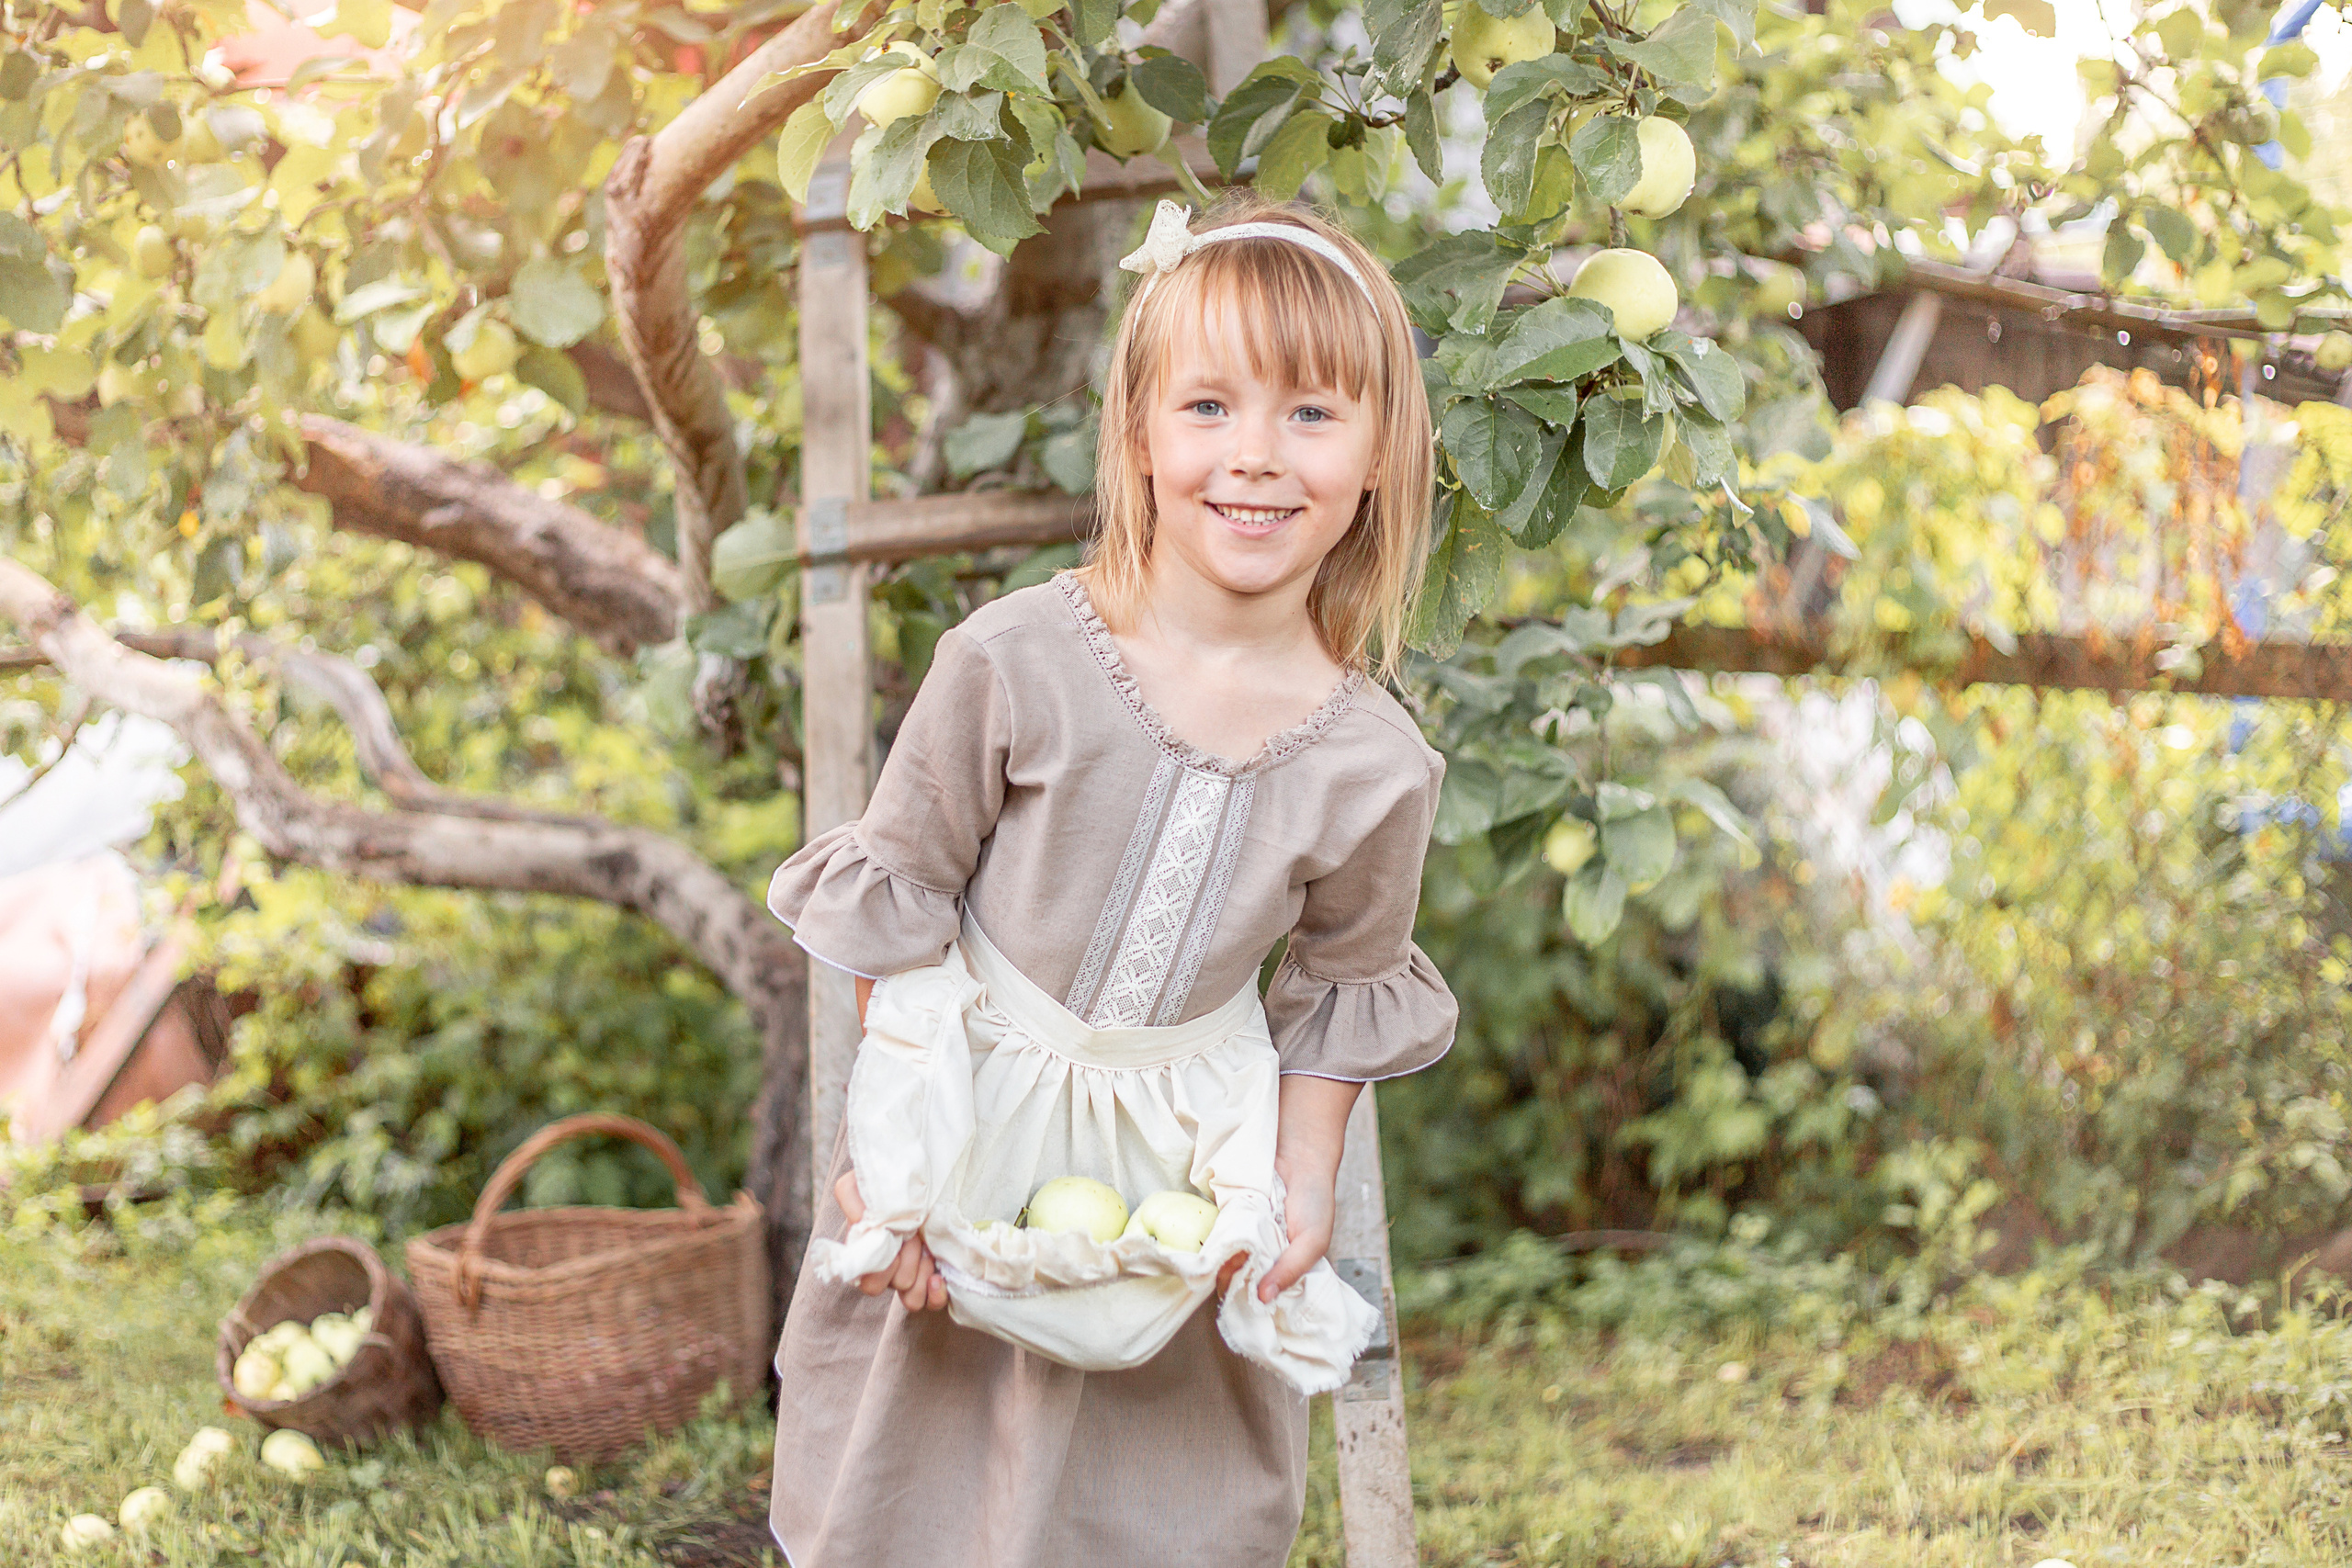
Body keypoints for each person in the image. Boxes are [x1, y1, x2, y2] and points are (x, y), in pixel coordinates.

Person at [763, 194, 1459, 1568]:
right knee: (927, 1470)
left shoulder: (1378, 763)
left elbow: (1337, 994)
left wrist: (1299, 1177)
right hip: (972, 1111)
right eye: (1209, 407)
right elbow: (890, 920)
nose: (1256, 457)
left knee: (1155, 1486)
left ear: (1381, 453)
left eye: (1314, 415)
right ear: (1140, 434)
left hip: (1177, 1170)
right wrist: (884, 1175)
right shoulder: (1013, 660)